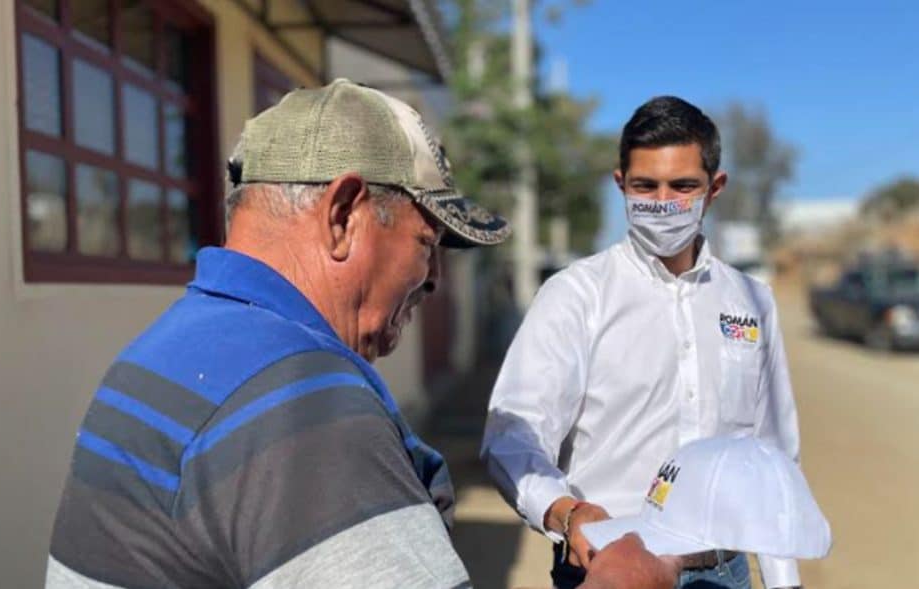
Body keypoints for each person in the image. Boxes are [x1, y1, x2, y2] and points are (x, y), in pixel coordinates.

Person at [44, 79, 680, 589]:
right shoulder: (301, 401)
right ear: (345, 216)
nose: (432, 282)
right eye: (426, 244)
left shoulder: (166, 347)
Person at [481, 96, 803, 589]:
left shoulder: (751, 301)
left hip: (723, 573)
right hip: (610, 570)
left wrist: (784, 582)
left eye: (683, 186)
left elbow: (774, 457)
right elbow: (513, 434)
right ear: (620, 185)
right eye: (645, 186)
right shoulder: (576, 296)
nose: (662, 201)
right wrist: (566, 512)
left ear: (714, 189)